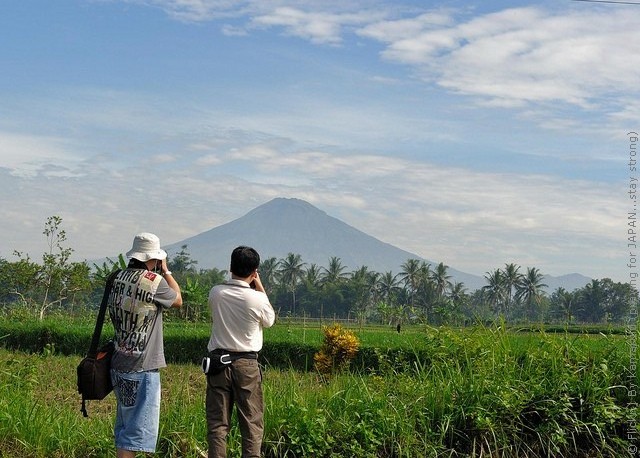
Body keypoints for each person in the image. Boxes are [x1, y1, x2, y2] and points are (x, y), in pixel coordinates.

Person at [107, 232, 182, 458]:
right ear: (155, 258)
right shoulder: (153, 281)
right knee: (134, 436)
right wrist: (166, 271)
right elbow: (178, 300)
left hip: (119, 362)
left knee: (125, 430)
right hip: (142, 366)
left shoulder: (117, 277)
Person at [206, 246, 276, 458]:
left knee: (218, 424)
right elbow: (270, 320)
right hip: (246, 364)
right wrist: (259, 285)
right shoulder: (257, 299)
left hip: (218, 364)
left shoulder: (216, 292)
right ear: (254, 271)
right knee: (251, 422)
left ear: (230, 267)